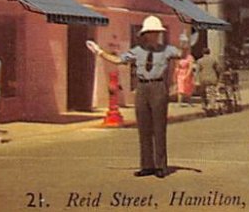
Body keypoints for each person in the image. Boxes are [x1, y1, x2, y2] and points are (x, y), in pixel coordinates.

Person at [89, 15, 189, 178]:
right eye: (151, 32)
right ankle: (147, 165)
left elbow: (183, 55)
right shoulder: (137, 51)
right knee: (144, 128)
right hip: (142, 87)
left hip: (158, 86)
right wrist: (99, 52)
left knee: (159, 128)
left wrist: (185, 43)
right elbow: (118, 60)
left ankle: (160, 165)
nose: (154, 35)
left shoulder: (167, 50)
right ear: (145, 34)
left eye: (156, 32)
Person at [195, 47, 221, 112]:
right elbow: (218, 69)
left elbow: (197, 71)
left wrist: (197, 80)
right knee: (212, 93)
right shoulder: (213, 60)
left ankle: (204, 105)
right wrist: (218, 78)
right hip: (212, 78)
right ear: (209, 52)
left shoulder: (199, 61)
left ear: (202, 53)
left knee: (203, 93)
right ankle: (212, 106)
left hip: (203, 79)